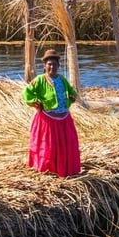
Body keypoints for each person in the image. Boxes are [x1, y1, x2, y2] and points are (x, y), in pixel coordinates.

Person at [23, 49, 82, 177]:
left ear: (58, 66)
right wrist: (35, 102)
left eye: (54, 64)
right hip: (48, 119)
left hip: (64, 117)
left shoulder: (62, 79)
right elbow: (27, 92)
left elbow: (72, 91)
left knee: (66, 145)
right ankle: (48, 169)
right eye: (49, 64)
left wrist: (71, 98)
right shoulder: (39, 80)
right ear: (44, 66)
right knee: (49, 146)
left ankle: (64, 168)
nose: (52, 67)